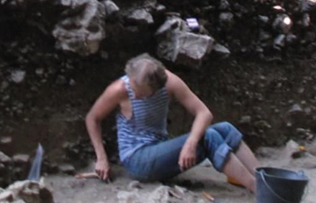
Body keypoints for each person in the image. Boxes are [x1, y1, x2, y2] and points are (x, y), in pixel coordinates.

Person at [84, 53, 262, 187]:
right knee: (208, 137)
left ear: (155, 89)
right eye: (132, 86)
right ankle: (257, 189)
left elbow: (204, 113)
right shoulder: (120, 89)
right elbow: (92, 118)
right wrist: (101, 158)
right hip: (137, 159)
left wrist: (190, 144)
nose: (134, 93)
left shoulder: (169, 82)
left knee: (225, 128)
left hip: (159, 150)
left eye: (140, 92)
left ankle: (263, 178)